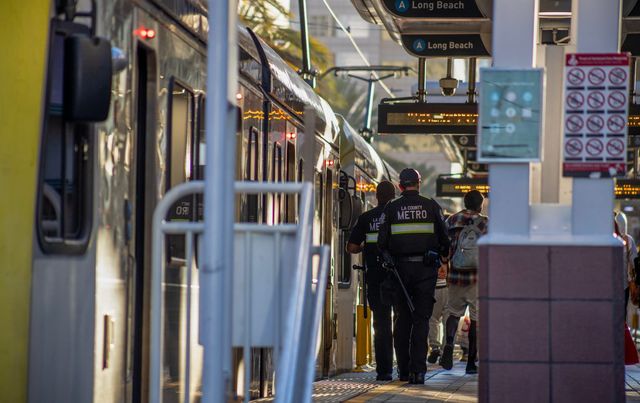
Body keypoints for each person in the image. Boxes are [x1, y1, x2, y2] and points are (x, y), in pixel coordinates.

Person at [377, 168, 450, 384]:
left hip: (399, 272)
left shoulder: (391, 207)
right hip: (426, 272)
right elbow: (445, 239)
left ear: (400, 186)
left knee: (402, 321)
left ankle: (404, 371)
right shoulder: (431, 205)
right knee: (421, 321)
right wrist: (441, 257)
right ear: (419, 183)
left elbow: (381, 244)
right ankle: (419, 372)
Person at [346, 180, 396, 381]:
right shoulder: (398, 215)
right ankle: (406, 367)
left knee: (382, 324)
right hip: (399, 276)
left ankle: (384, 371)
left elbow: (351, 247)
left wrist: (365, 248)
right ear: (394, 196)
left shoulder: (367, 217)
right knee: (402, 322)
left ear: (376, 196)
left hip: (375, 276)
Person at [440, 190, 488, 375]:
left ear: (465, 202)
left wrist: (445, 262)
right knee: (476, 319)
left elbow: (443, 246)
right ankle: (470, 363)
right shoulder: (485, 222)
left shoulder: (451, 220)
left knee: (453, 313)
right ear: (479, 205)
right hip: (477, 277)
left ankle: (450, 343)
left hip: (456, 276)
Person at [427, 259, 448, 365]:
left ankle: (435, 347)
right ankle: (446, 351)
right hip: (449, 287)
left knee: (432, 319)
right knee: (448, 321)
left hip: (433, 286)